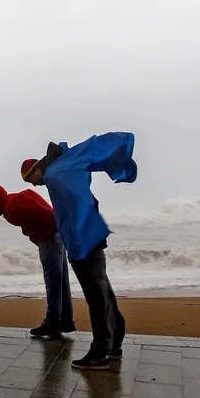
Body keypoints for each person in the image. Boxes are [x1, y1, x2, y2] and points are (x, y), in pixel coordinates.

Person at [21, 131, 137, 371]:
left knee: (95, 294)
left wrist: (75, 243)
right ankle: (115, 342)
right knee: (103, 289)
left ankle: (100, 352)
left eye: (30, 180)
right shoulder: (66, 164)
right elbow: (87, 174)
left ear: (35, 171)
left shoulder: (56, 174)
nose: (34, 185)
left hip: (82, 240)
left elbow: (70, 212)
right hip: (92, 234)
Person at [0, 181, 75, 338]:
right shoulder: (12, 201)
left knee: (53, 283)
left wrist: (48, 230)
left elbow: (44, 213)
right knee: (61, 281)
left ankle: (52, 323)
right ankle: (65, 321)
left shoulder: (10, 208)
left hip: (49, 239)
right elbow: (37, 206)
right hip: (56, 236)